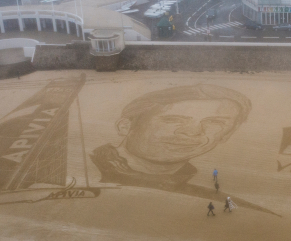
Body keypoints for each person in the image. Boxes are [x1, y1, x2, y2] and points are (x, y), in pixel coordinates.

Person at [89, 84, 278, 216]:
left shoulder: (231, 205)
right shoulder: (84, 176)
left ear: (226, 134)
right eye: (173, 120)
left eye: (214, 122)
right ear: (125, 126)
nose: (192, 133)